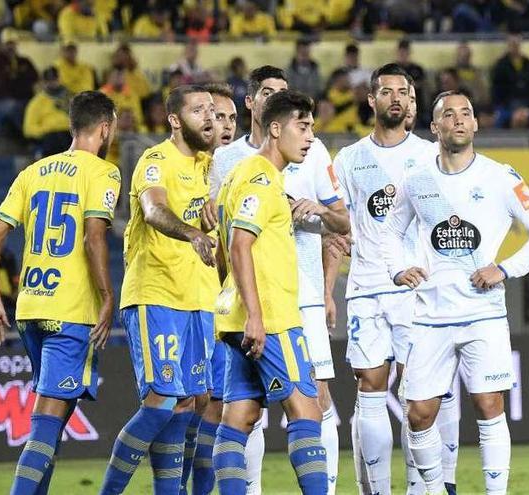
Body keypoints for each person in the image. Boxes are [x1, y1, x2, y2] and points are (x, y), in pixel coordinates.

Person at [383, 89, 529, 495]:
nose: (458, 119)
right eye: (448, 114)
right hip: (430, 314)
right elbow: (390, 231)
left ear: (476, 124)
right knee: (419, 413)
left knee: (489, 407)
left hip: (483, 314)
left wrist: (505, 268)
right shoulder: (417, 180)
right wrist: (397, 269)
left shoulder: (500, 176)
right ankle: (433, 488)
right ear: (434, 127)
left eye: (466, 113)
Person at [210, 65, 350, 495]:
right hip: (269, 317)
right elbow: (237, 245)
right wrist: (255, 314)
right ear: (275, 129)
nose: (309, 137)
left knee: (239, 417)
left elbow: (220, 247)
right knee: (307, 410)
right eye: (302, 127)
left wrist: (233, 302)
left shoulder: (239, 175)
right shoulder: (261, 179)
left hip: (235, 317)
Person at [0, 90, 120, 495]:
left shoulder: (33, 172)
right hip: (71, 310)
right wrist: (108, 295)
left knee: (54, 420)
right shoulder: (103, 172)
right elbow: (95, 237)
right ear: (105, 127)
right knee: (45, 423)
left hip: (30, 308)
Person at [327, 63, 459, 495]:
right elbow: (338, 224)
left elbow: (443, 223)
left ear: (412, 101)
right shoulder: (348, 159)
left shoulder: (426, 155)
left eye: (403, 91)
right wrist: (333, 277)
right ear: (371, 100)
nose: (396, 98)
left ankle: (421, 488)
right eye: (387, 91)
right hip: (366, 286)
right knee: (369, 386)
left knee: (420, 393)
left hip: (416, 290)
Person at [100, 85, 219, 494]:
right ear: (174, 119)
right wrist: (192, 233)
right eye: (199, 110)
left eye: (212, 109)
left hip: (200, 299)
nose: (209, 116)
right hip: (157, 293)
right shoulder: (155, 158)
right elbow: (152, 209)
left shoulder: (209, 167)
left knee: (191, 401)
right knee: (162, 400)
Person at [178, 82, 237, 495]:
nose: (226, 126)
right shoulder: (191, 168)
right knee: (187, 405)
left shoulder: (238, 170)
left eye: (233, 118)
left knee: (215, 406)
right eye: (218, 117)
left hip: (223, 308)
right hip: (185, 302)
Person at [0, 29, 38, 138]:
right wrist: (19, 78)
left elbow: (35, 78)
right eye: (7, 44)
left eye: (13, 43)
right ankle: (27, 138)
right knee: (16, 108)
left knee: (38, 105)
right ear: (1, 45)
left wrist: (15, 78)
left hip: (25, 99)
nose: (10, 47)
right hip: (3, 101)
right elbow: (0, 83)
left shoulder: (24, 61)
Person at [23, 67, 73, 156]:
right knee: (55, 139)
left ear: (59, 79)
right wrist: (47, 129)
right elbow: (28, 129)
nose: (52, 83)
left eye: (54, 79)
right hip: (50, 137)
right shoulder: (36, 102)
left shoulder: (71, 98)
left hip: (70, 134)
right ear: (43, 82)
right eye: (48, 81)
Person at [490, 32, 529, 112]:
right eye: (512, 44)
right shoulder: (501, 64)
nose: (514, 47)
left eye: (516, 44)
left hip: (527, 99)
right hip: (509, 101)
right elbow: (497, 86)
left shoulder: (528, 63)